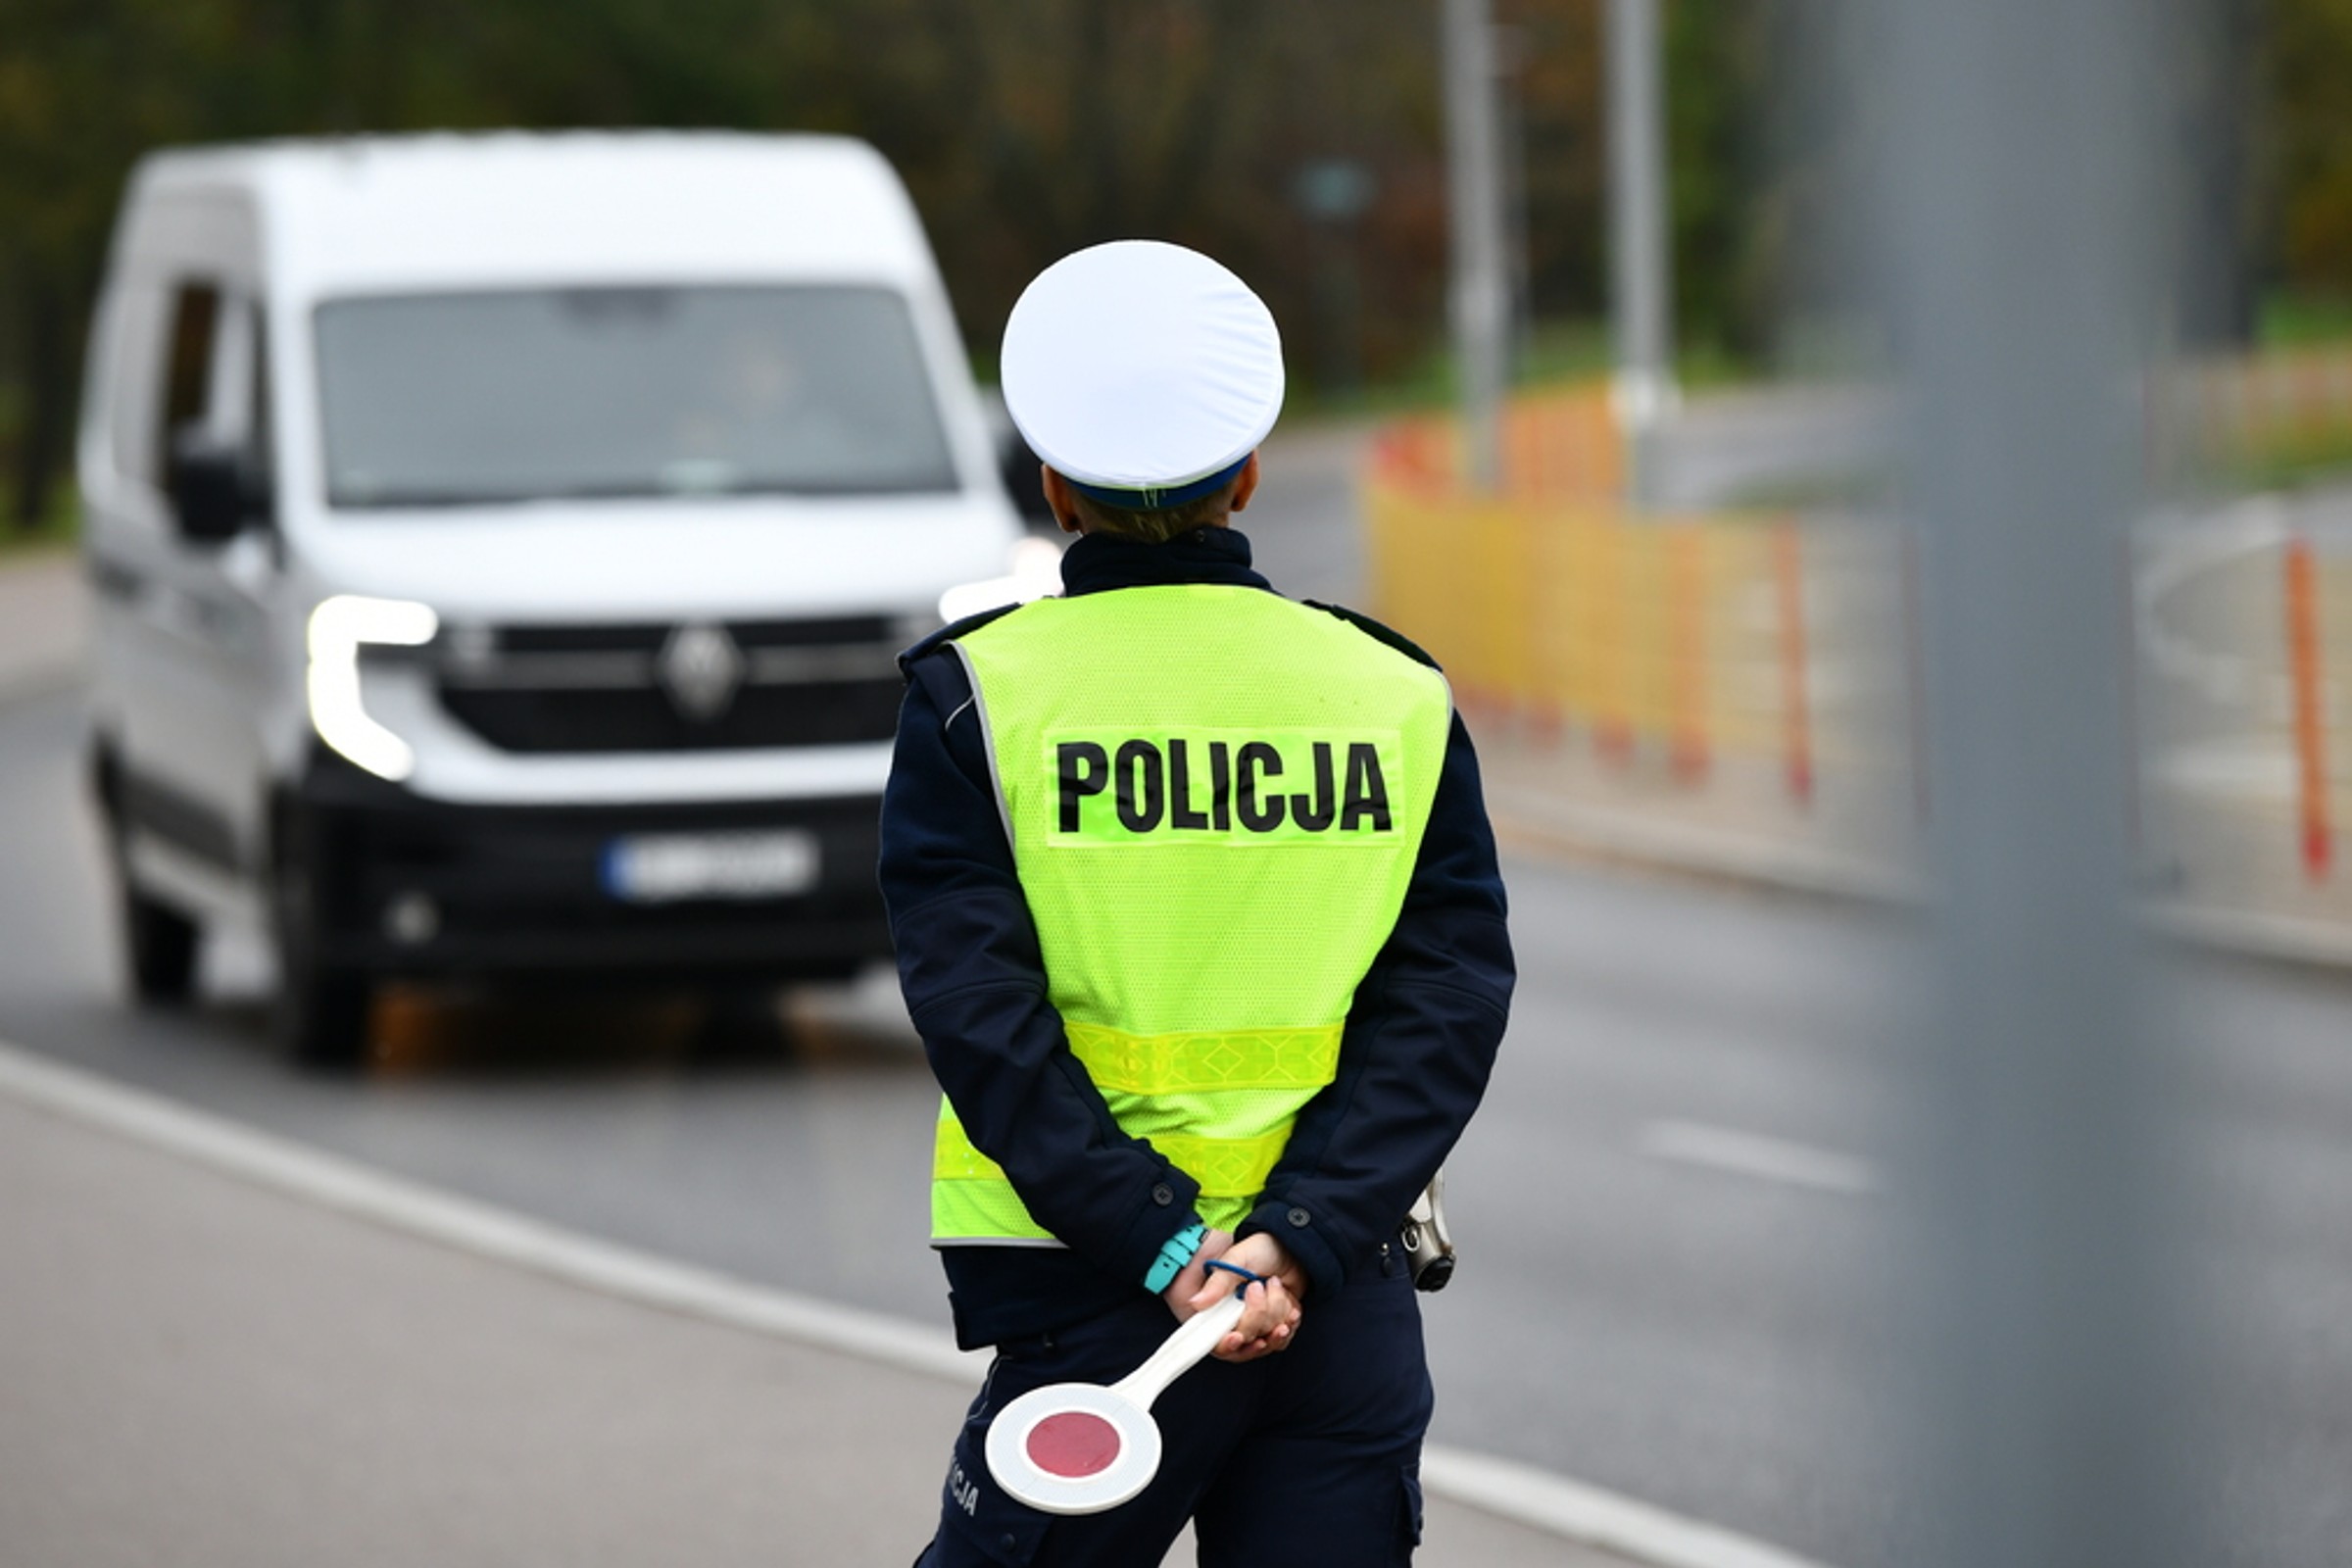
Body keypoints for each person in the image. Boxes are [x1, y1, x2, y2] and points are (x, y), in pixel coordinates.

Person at [881, 240, 1513, 1566]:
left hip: (1096, 1303)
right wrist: (1296, 1240)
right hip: (1330, 1306)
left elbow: (983, 1028)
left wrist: (1174, 1249)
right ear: (1251, 473)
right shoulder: (1391, 695)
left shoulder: (973, 707)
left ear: (1054, 488)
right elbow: (1446, 1001)